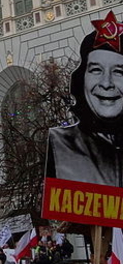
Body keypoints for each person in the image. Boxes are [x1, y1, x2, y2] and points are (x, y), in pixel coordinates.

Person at [46, 11, 123, 186]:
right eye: (96, 70)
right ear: (82, 79)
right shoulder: (60, 145)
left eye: (119, 72)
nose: (106, 83)